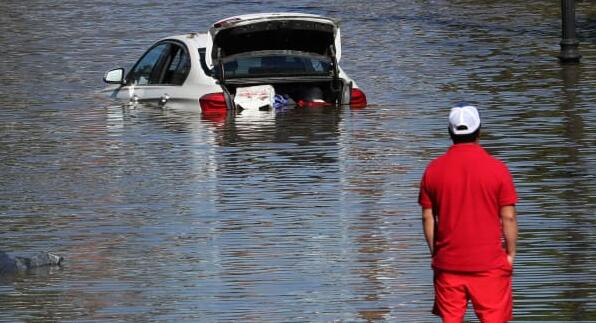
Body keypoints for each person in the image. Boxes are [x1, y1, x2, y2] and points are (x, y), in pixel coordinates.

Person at [418, 104, 518, 323]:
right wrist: (510, 254)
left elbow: (428, 217)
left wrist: (436, 253)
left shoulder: (433, 170)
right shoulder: (498, 169)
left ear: (449, 132)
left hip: (448, 264)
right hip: (489, 263)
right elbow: (508, 217)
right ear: (479, 131)